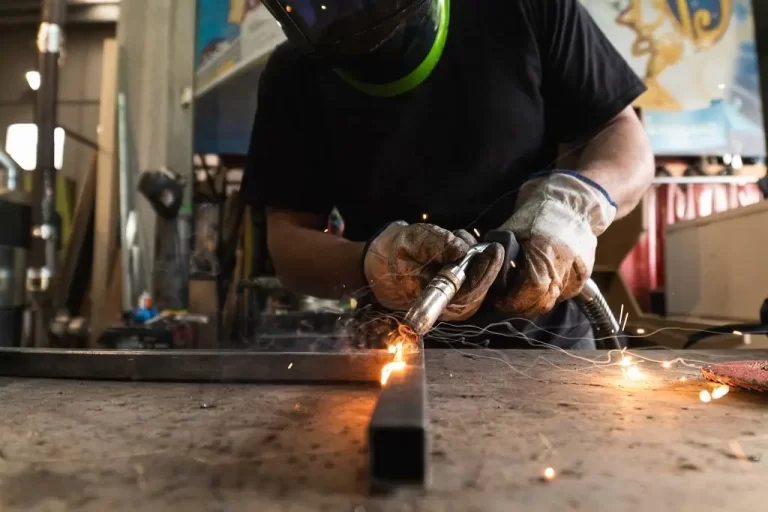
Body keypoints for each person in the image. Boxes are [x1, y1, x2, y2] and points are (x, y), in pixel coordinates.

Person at [242, 0, 655, 349]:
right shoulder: (293, 73)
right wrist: (373, 263)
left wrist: (572, 208)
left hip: (549, 343)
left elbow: (621, 134)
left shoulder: (524, 7)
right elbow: (289, 244)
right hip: (398, 346)